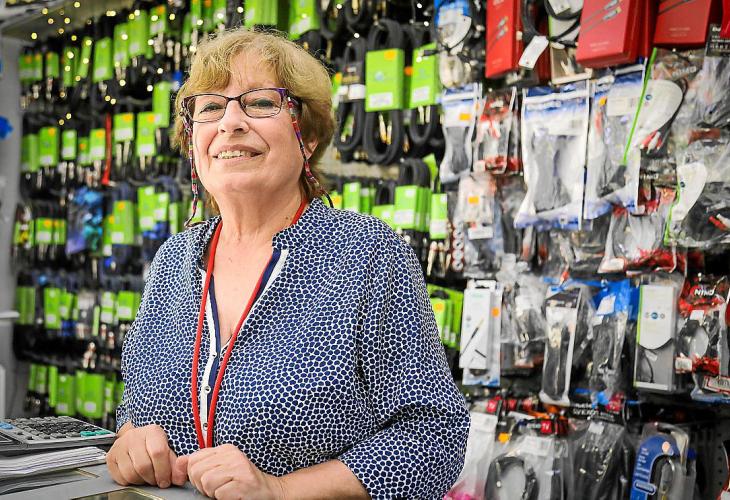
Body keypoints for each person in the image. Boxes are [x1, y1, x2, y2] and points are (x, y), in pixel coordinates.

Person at [106, 27, 470, 499]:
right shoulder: (174, 258)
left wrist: (279, 490)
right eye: (210, 107)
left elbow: (435, 437)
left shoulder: (366, 253)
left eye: (260, 102)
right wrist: (130, 439)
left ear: (309, 137)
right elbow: (135, 405)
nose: (230, 122)